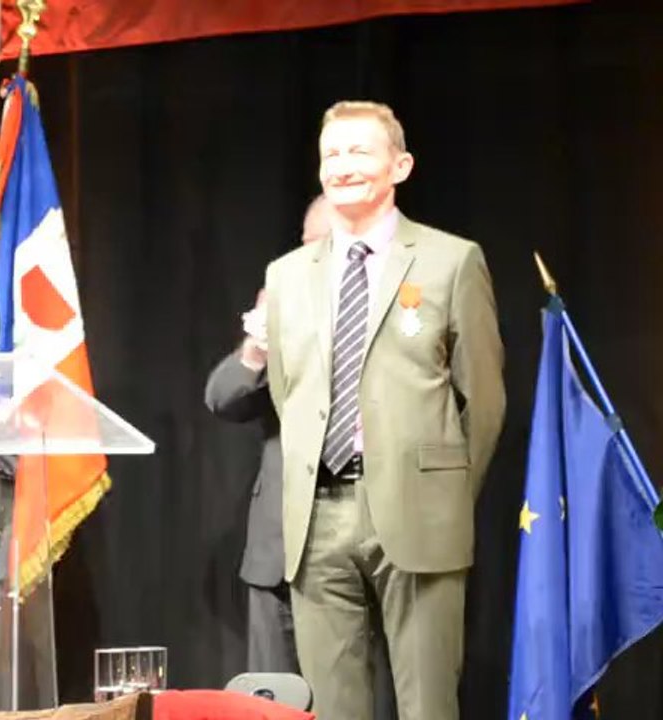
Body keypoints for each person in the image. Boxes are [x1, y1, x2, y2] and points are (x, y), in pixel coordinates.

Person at [263, 101, 505, 720]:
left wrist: (444, 489)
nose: (343, 166)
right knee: (333, 707)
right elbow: (288, 393)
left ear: (400, 166)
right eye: (332, 154)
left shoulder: (452, 260)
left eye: (359, 151)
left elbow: (484, 400)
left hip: (417, 509)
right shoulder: (287, 275)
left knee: (427, 704)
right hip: (317, 516)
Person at [205, 195, 331, 675]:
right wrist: (259, 343)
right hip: (277, 551)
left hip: (361, 550)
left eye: (322, 245)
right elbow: (223, 398)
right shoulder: (284, 317)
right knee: (274, 698)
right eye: (305, 245)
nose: (307, 259)